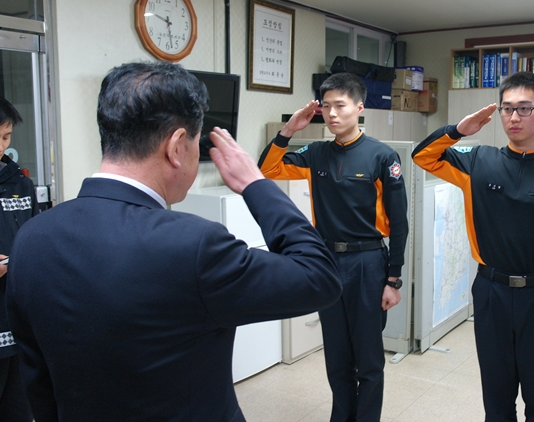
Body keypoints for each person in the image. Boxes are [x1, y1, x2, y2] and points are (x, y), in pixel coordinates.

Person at [5, 61, 342, 422]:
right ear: (177, 146)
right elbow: (319, 277)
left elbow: (37, 381)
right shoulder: (193, 245)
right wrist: (256, 185)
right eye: (198, 143)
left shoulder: (31, 239)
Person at [412, 71, 534, 422]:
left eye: (525, 108)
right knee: (496, 401)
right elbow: (423, 156)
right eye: (507, 109)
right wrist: (457, 131)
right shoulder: (477, 161)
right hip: (491, 291)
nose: (514, 117)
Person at [258, 72, 409, 422]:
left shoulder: (382, 157)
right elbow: (267, 169)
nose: (332, 114)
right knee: (337, 357)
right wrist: (289, 130)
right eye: (325, 107)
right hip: (327, 261)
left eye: (340, 105)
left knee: (368, 359)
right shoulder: (316, 153)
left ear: (359, 107)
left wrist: (393, 279)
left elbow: (400, 224)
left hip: (368, 262)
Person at [0, 97, 38, 422]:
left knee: (20, 411)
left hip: (17, 326)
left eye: (6, 136)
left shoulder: (21, 184)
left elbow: (34, 239)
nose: (1, 146)